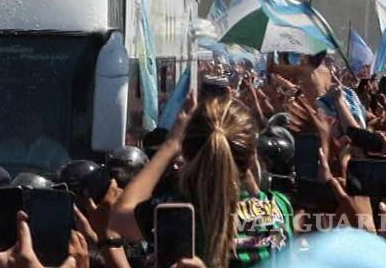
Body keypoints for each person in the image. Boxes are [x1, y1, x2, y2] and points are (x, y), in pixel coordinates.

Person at [112, 98, 294, 268]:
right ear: (252, 154)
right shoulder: (279, 207)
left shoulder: (174, 212)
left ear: (186, 153)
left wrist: (171, 145)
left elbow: (118, 218)